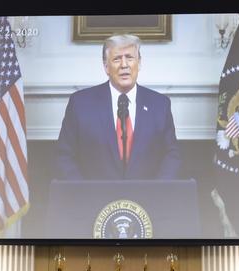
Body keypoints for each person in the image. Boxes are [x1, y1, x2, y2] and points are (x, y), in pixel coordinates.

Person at [55, 34, 181, 181]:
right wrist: (84, 193)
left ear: (139, 63)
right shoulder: (80, 103)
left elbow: (172, 155)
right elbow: (64, 156)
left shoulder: (160, 104)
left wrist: (157, 192)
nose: (124, 65)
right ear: (106, 67)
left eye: (129, 57)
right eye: (116, 59)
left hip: (146, 199)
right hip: (95, 199)